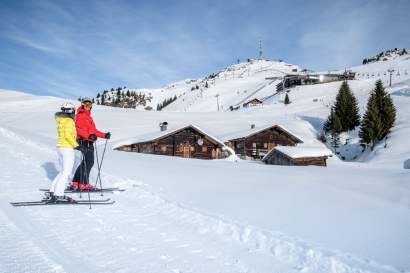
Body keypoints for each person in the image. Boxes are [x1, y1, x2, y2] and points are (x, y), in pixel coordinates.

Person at [71, 98, 110, 190]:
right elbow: (79, 130)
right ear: (82, 105)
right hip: (84, 141)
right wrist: (89, 136)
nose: (88, 105)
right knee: (89, 162)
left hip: (88, 141)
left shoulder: (89, 117)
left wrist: (104, 135)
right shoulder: (80, 115)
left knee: (85, 162)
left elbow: (94, 131)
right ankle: (83, 184)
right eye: (86, 104)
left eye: (89, 104)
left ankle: (76, 183)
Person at [46, 102, 79, 203]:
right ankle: (59, 194)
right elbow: (68, 136)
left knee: (62, 171)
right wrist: (77, 145)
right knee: (66, 173)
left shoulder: (61, 120)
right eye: (74, 110)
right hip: (67, 148)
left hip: (60, 147)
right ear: (71, 111)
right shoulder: (69, 121)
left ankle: (52, 192)